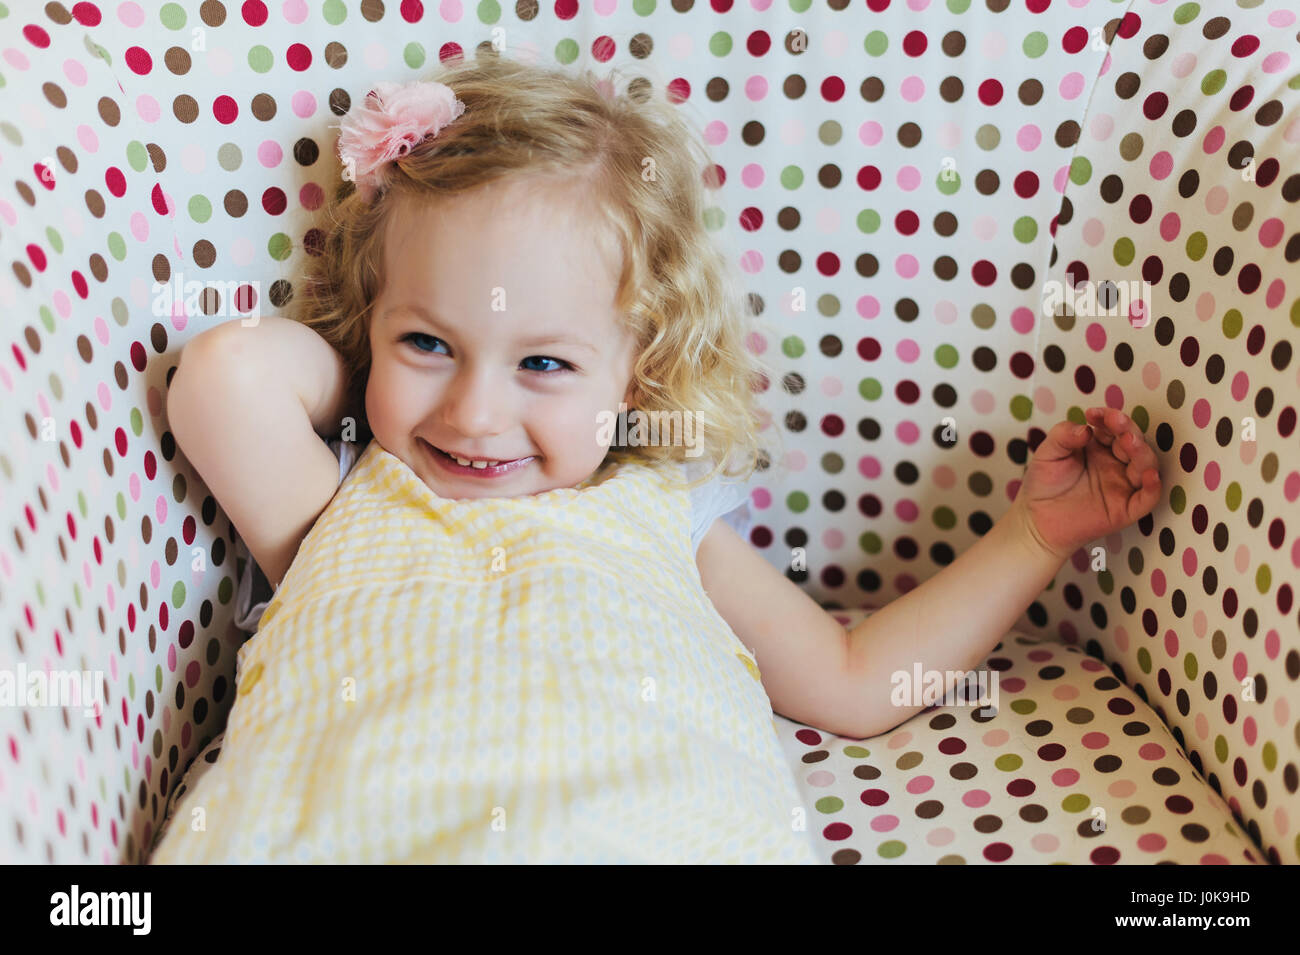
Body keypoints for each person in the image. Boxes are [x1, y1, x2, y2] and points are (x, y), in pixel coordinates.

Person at [151, 53, 1162, 864]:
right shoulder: (333, 502)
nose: (472, 411)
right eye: (429, 344)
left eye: (543, 361)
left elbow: (857, 683)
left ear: (637, 374)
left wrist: (1033, 535)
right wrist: (372, 371)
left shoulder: (660, 510)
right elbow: (225, 375)